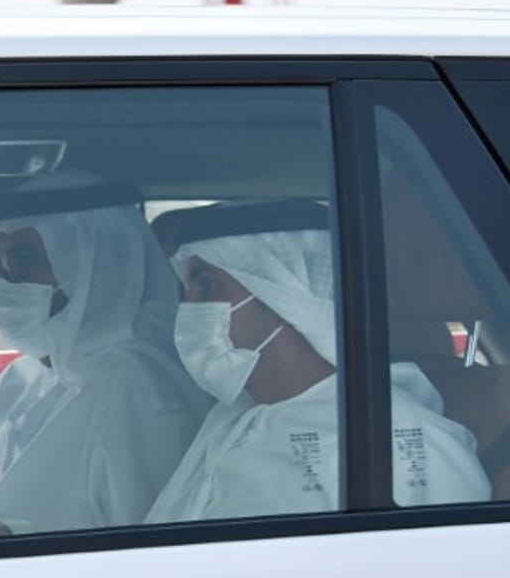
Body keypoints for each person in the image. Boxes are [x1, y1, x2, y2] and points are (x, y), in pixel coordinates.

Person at [146, 199, 490, 522]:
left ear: (282, 291)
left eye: (206, 284)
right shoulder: (233, 419)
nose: (188, 306)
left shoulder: (397, 441)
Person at [0, 173, 209, 537]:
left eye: (24, 256)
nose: (4, 279)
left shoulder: (139, 383)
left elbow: (141, 544)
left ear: (94, 264)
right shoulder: (22, 377)